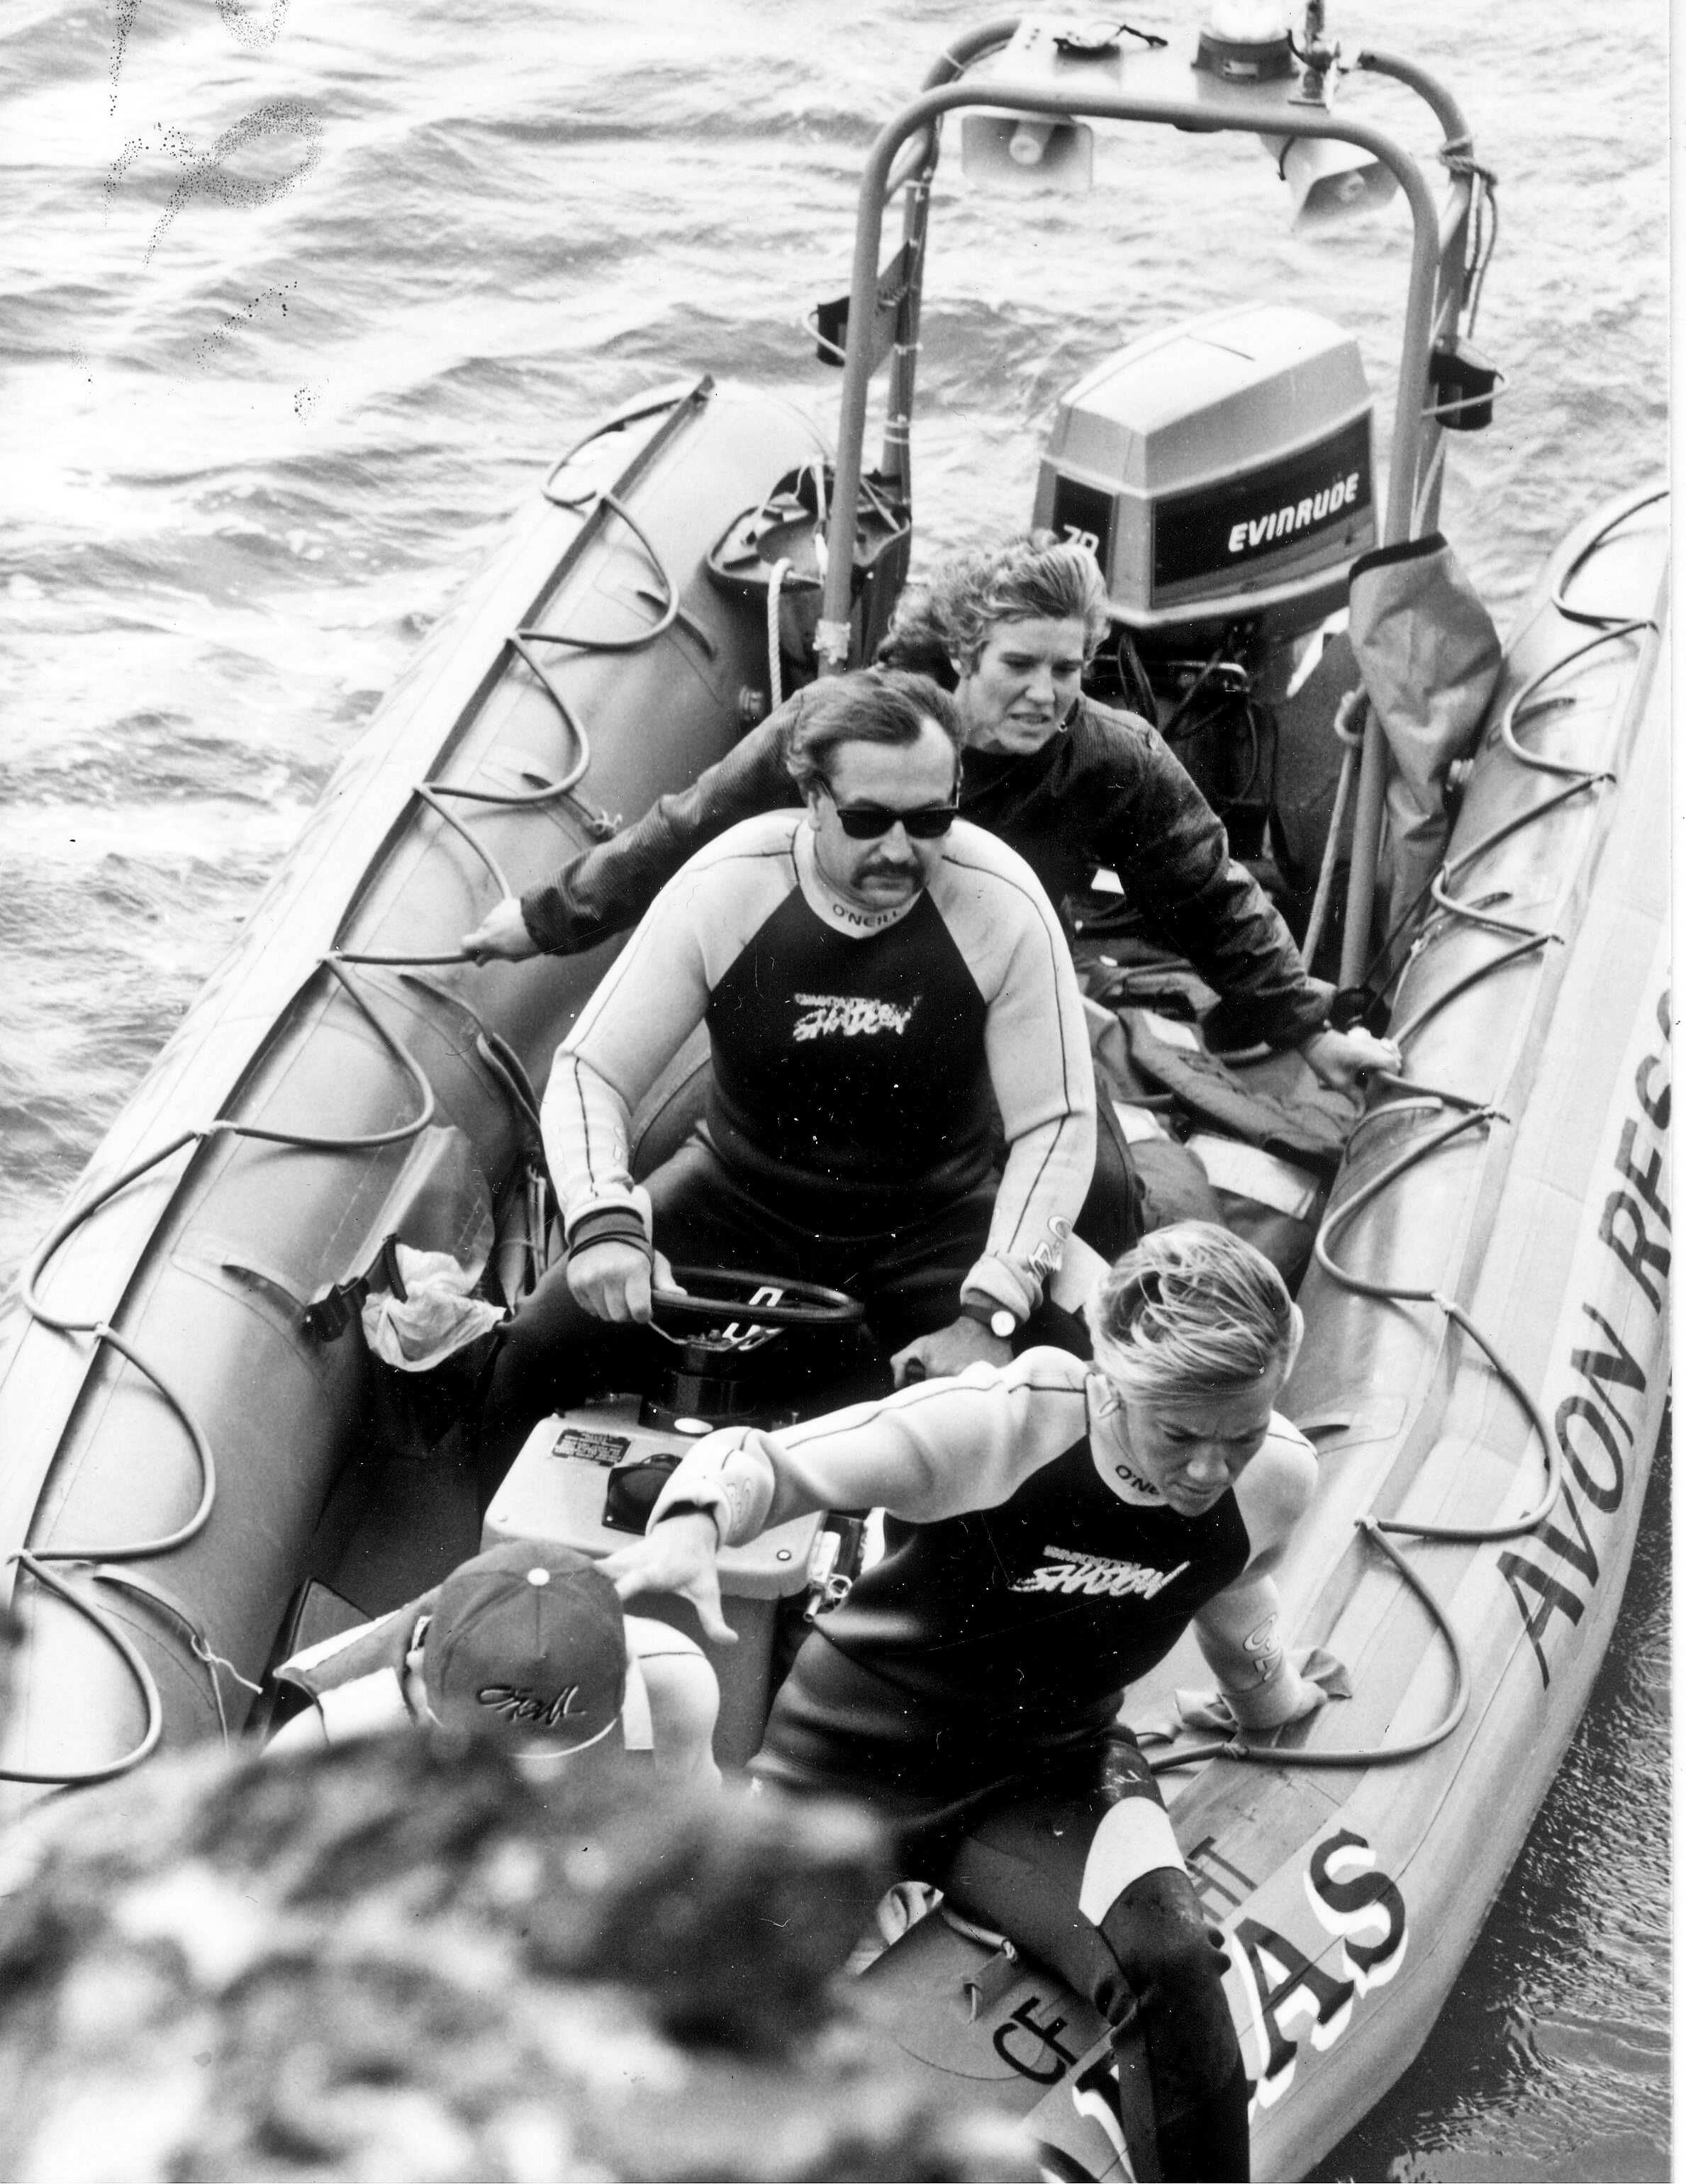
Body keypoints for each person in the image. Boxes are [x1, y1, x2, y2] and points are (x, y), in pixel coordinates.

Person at [603, 1221, 1332, 2183]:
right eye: (1179, 1435)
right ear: (1111, 1384)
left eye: (1238, 1435)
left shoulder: (1276, 1476)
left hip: (1047, 1770)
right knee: (709, 2023)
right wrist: (695, 1523)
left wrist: (1271, 1696)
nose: (1208, 1471)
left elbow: (1231, 1590)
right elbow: (767, 1462)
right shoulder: (1003, 1425)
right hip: (854, 1756)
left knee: (1172, 1960)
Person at [462, 534, 1400, 1104]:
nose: (1044, 695)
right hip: (821, 980)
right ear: (962, 655)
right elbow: (691, 827)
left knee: (1117, 1199)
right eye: (1018, 666)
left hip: (992, 1002)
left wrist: (1310, 1028)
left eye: (1066, 670)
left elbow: (1210, 898)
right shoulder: (841, 725)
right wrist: (544, 919)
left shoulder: (1111, 757)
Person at [476, 668, 1095, 1498]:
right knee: (529, 1357)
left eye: (929, 820)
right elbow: (591, 1069)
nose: (899, 849)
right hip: (738, 1196)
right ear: (811, 797)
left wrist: (994, 1308)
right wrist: (604, 1222)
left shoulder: (1003, 903)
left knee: (1074, 1405)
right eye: (867, 819)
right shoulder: (730, 881)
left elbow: (1056, 1123)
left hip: (932, 1219)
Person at [266, 1535, 720, 1795]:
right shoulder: (314, 1754)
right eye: (491, 1761)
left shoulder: (674, 1682)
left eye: (567, 1764)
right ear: (419, 1668)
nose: (528, 1800)